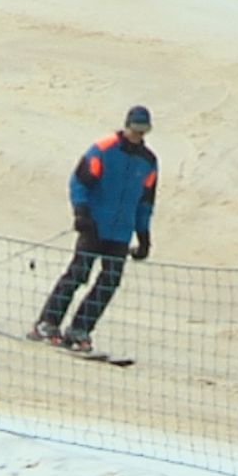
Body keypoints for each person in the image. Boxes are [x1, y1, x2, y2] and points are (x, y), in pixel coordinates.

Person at [29, 105, 158, 352]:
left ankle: (79, 330)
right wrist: (81, 212)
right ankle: (47, 323)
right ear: (126, 125)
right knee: (78, 274)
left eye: (143, 131)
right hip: (94, 226)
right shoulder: (104, 148)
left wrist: (144, 238)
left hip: (121, 232)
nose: (138, 136)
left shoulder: (148, 161)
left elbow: (145, 202)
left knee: (109, 281)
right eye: (135, 130)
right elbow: (79, 181)